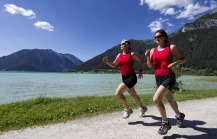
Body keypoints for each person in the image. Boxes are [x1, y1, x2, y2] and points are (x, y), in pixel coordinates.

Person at [145, 29, 186, 135]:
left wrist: (175, 64)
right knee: (169, 99)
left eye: (159, 36)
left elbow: (183, 58)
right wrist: (147, 57)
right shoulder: (153, 50)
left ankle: (165, 122)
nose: (156, 39)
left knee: (156, 99)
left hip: (169, 76)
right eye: (155, 37)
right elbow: (149, 65)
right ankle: (179, 115)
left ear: (165, 37)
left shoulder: (171, 47)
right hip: (158, 77)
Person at [102, 39, 147, 119]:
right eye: (121, 44)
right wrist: (107, 62)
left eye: (124, 43)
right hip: (124, 77)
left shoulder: (132, 54)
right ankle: (142, 107)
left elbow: (142, 60)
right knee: (133, 94)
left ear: (128, 45)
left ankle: (127, 109)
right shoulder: (119, 55)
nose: (122, 45)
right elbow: (113, 65)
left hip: (132, 77)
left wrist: (140, 70)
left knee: (118, 93)